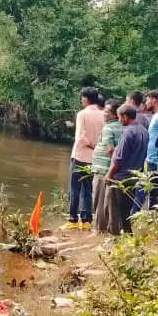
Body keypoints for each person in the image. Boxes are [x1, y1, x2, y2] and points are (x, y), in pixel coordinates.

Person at [63, 87, 104, 230]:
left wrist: (90, 144)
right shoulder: (103, 115)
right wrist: (95, 147)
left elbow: (79, 137)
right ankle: (86, 220)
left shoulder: (82, 114)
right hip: (94, 158)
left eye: (82, 98)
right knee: (87, 189)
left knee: (74, 188)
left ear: (86, 98)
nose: (81, 100)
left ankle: (73, 219)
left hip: (80, 155)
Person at [104, 103, 148, 234]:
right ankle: (127, 236)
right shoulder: (144, 131)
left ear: (124, 117)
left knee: (114, 209)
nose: (118, 120)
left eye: (118, 117)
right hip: (134, 176)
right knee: (126, 210)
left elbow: (118, 158)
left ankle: (115, 237)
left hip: (121, 177)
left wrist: (109, 174)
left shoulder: (128, 132)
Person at [90, 99, 123, 234]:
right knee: (110, 202)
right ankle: (109, 229)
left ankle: (99, 230)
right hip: (113, 170)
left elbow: (110, 149)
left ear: (115, 115)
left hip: (103, 169)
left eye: (107, 112)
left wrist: (110, 168)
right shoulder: (121, 127)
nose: (104, 114)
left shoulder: (109, 127)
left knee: (99, 200)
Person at [134, 90, 158, 210]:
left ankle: (152, 220)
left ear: (154, 100)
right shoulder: (157, 116)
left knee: (154, 192)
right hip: (150, 159)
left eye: (148, 100)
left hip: (155, 161)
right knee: (147, 190)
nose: (146, 103)